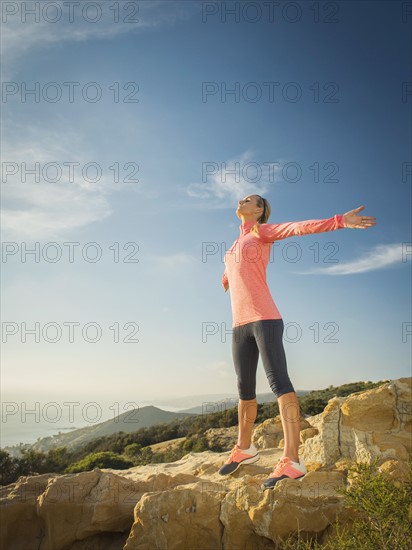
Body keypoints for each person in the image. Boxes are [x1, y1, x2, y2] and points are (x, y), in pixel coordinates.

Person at [218, 195, 376, 489]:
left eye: (249, 199)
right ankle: (245, 448)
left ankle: (292, 460)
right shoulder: (234, 244)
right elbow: (236, 268)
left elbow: (297, 228)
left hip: (264, 319)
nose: (242, 199)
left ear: (259, 210)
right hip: (240, 325)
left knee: (279, 383)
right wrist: (227, 275)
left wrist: (340, 220)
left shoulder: (260, 232)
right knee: (244, 389)